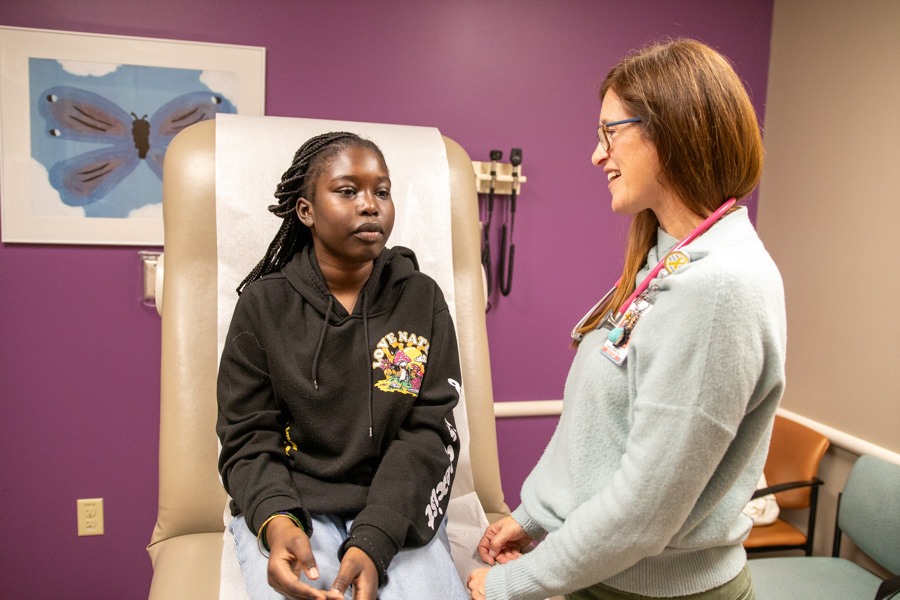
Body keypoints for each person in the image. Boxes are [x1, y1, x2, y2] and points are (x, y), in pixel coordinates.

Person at [468, 39, 786, 600]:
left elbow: (645, 509)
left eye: (610, 132)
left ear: (672, 129)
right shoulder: (671, 257)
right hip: (611, 576)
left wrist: (513, 582)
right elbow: (600, 436)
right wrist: (534, 514)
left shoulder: (717, 290)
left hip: (661, 589)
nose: (597, 155)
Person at [216, 132, 469, 600]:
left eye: (382, 191)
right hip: (295, 503)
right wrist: (277, 521)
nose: (370, 205)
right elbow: (247, 436)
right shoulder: (262, 307)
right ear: (306, 210)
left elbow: (429, 433)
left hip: (397, 501)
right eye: (348, 191)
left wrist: (375, 538)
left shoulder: (421, 299)